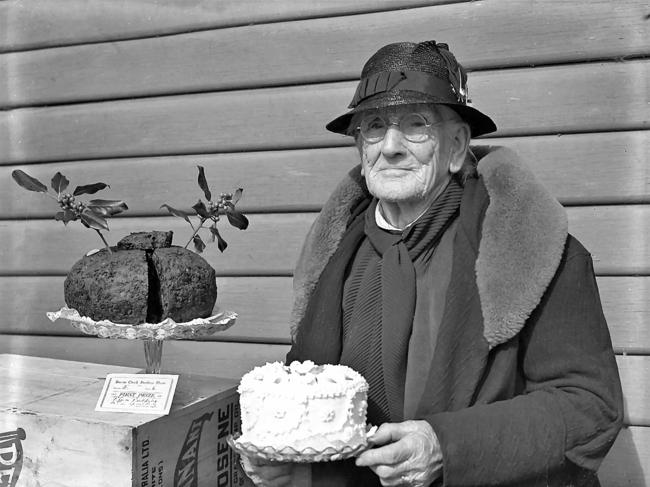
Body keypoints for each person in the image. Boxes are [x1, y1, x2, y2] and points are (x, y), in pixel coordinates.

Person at [239, 40, 624, 486]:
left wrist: (447, 448)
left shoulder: (534, 251)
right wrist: (295, 463)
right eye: (374, 127)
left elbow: (590, 406)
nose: (391, 147)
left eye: (415, 125)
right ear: (360, 150)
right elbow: (320, 412)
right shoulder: (329, 259)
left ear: (457, 145)